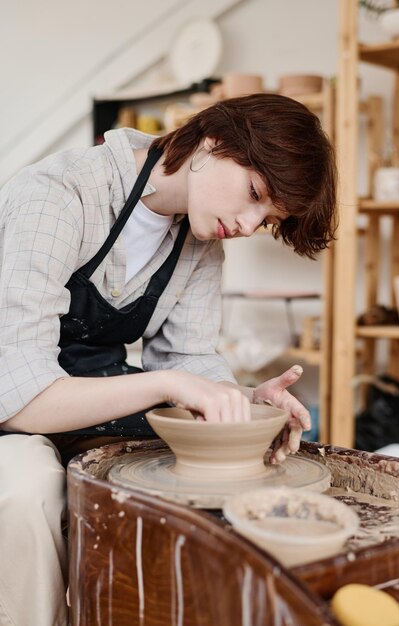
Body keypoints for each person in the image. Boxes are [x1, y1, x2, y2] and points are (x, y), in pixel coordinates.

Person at [0, 93, 337, 626]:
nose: (249, 225)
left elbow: (190, 357)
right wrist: (170, 384)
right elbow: (16, 397)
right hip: (13, 406)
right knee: (26, 493)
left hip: (89, 396)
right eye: (254, 194)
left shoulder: (202, 243)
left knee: (197, 487)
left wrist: (245, 404)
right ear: (212, 141)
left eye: (266, 218)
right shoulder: (59, 196)